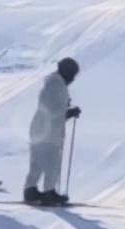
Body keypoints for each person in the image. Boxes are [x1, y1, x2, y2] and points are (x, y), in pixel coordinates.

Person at [23, 58, 81, 206]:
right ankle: (49, 192)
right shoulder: (57, 86)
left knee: (37, 163)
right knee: (52, 163)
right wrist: (69, 113)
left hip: (40, 129)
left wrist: (67, 110)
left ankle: (30, 190)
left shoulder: (54, 84)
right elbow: (52, 110)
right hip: (48, 132)